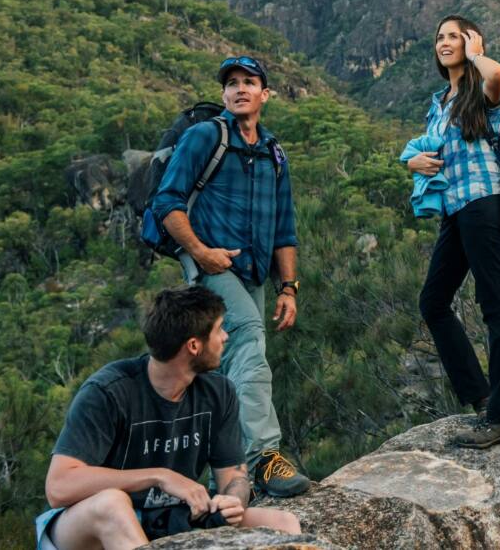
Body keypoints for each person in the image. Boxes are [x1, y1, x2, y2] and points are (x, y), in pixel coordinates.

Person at [35, 285, 301, 549]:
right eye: (219, 328)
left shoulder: (218, 392)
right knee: (112, 504)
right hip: (85, 530)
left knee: (283, 523)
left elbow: (234, 477)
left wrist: (232, 501)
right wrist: (159, 476)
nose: (225, 337)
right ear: (194, 345)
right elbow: (59, 487)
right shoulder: (108, 392)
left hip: (168, 517)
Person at [152, 55, 309, 495]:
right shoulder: (206, 136)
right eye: (232, 83)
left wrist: (289, 287)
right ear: (224, 94)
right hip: (210, 267)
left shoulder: (273, 152)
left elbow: (285, 227)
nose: (240, 89)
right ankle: (263, 458)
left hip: (255, 273)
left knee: (221, 367)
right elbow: (167, 203)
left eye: (249, 82)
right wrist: (201, 253)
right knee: (250, 340)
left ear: (265, 94)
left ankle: (218, 472)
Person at [407, 15, 500, 448]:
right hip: (454, 209)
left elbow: (499, 74)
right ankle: (482, 397)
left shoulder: (483, 88)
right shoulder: (439, 100)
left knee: (496, 304)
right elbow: (427, 153)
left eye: (453, 36)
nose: (443, 43)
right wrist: (411, 163)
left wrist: (477, 55)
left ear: (471, 41)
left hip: (484, 202)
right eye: (439, 37)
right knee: (433, 302)